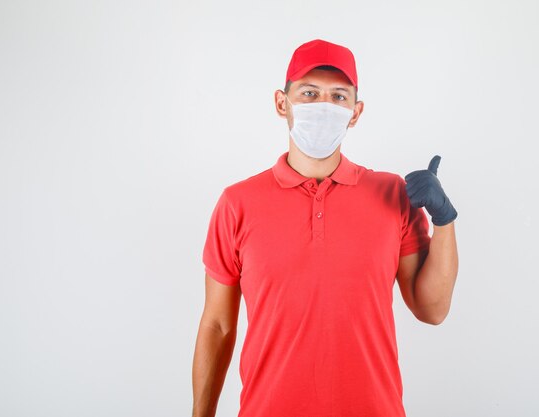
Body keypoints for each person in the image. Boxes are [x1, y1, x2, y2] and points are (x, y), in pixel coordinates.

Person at [192, 38, 459, 417]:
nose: (323, 106)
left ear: (355, 111)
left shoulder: (392, 195)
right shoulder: (237, 203)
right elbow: (218, 325)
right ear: (282, 103)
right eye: (309, 93)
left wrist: (444, 219)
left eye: (338, 97)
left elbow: (432, 309)